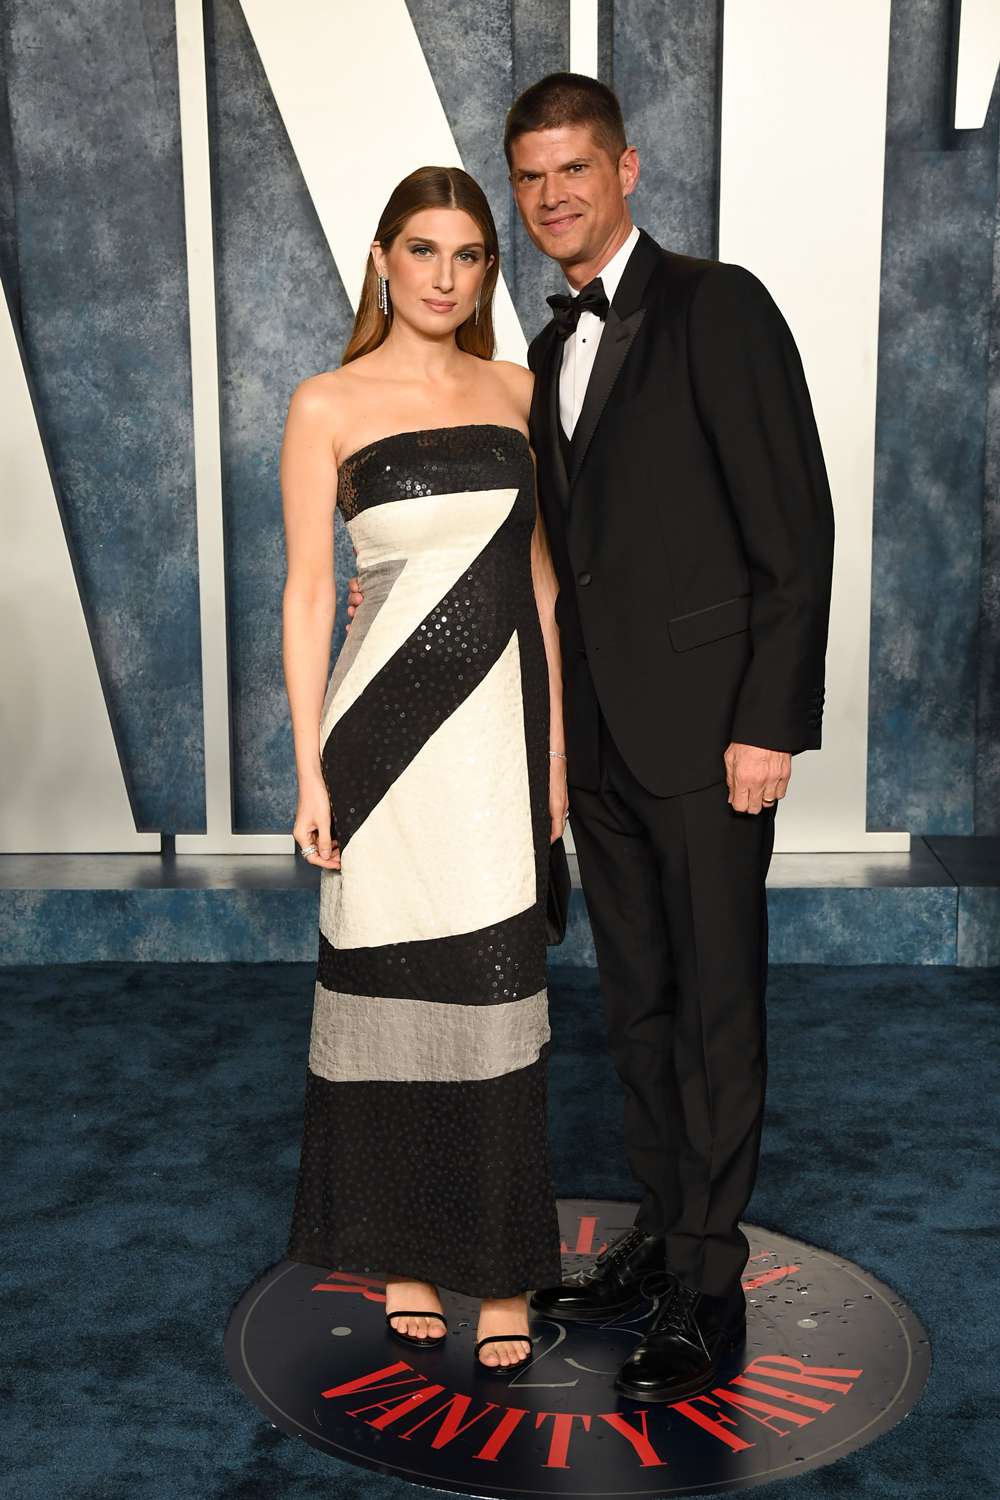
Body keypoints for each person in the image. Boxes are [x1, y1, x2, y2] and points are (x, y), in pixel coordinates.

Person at [347, 72, 836, 1404]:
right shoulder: (544, 349)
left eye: (577, 169)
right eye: (532, 177)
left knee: (719, 1009)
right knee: (637, 1009)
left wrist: (768, 725)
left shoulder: (716, 304)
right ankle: (657, 1237)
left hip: (712, 734)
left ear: (629, 168)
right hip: (600, 745)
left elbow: (794, 531)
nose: (555, 195)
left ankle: (709, 1284)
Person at [279, 164, 566, 1372]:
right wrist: (306, 775)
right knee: (395, 993)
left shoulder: (519, 388)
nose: (445, 278)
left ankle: (500, 1270)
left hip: (498, 735)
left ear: (486, 272)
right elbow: (305, 595)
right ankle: (404, 1256)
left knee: (495, 989)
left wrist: (555, 759)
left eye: (469, 257)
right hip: (381, 741)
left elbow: (544, 583)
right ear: (382, 260)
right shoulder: (325, 403)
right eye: (423, 252)